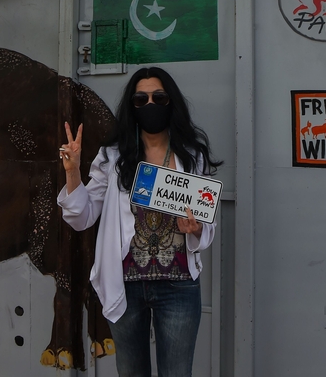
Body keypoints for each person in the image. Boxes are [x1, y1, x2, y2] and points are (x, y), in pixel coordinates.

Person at [57, 67, 222, 377]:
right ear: (131, 107)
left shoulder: (191, 156)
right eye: (140, 99)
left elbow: (205, 219)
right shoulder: (113, 158)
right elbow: (82, 216)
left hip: (179, 287)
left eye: (158, 97)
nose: (149, 104)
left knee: (177, 372)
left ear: (171, 102)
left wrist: (197, 229)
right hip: (126, 287)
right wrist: (73, 172)